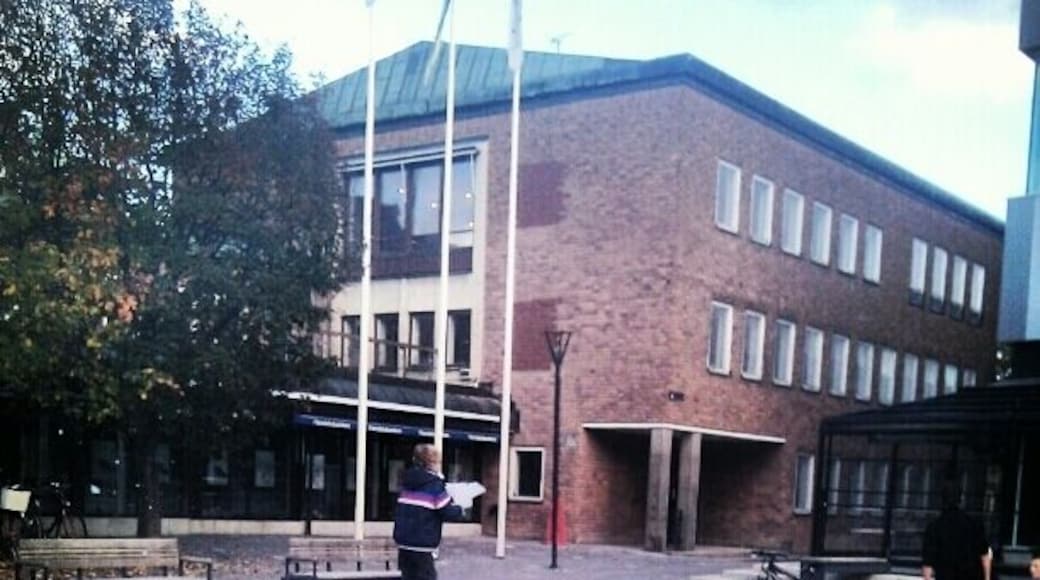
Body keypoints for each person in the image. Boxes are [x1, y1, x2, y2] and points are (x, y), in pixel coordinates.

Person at [393, 443, 463, 580]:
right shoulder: (434, 485)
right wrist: (460, 508)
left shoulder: (406, 482)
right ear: (431, 463)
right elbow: (446, 511)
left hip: (404, 543)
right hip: (422, 544)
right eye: (438, 462)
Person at [922, 480, 992, 580]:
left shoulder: (934, 527)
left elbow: (927, 565)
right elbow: (985, 555)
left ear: (942, 500)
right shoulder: (974, 524)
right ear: (961, 499)